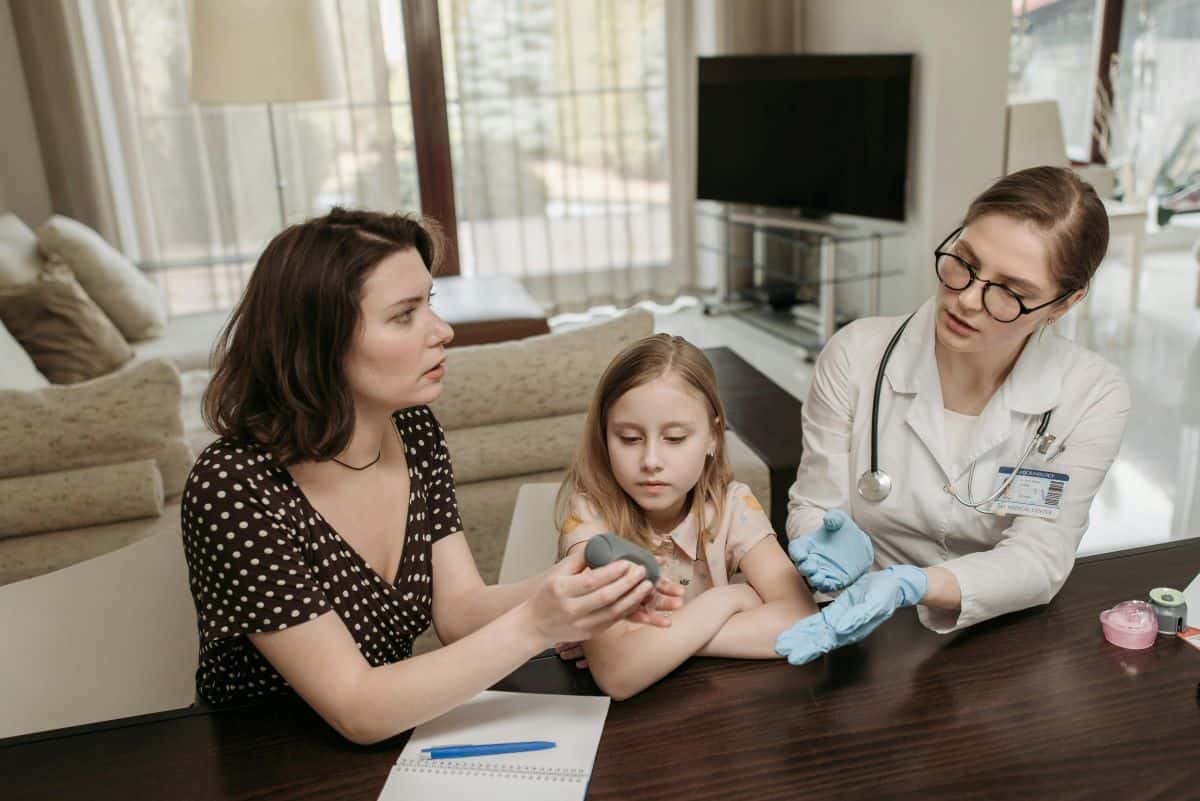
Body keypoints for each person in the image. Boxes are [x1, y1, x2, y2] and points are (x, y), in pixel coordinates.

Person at [181, 208, 683, 743]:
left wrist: (581, 587)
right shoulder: (232, 488)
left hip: (397, 743)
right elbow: (356, 707)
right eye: (404, 315)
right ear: (319, 341)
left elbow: (461, 612)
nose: (442, 332)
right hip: (269, 757)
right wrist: (536, 624)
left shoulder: (414, 430)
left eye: (431, 304)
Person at [776, 166, 1132, 665]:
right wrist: (826, 553)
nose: (966, 299)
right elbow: (816, 505)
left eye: (1011, 292)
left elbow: (1039, 558)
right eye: (964, 261)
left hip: (995, 639)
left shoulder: (1091, 394)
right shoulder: (856, 354)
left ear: (1063, 304)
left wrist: (912, 585)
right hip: (854, 626)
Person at [555, 334, 817, 699]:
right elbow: (618, 675)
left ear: (712, 435)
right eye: (629, 438)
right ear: (604, 436)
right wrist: (729, 600)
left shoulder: (734, 506)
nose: (650, 460)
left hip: (707, 710)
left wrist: (656, 645)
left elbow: (803, 621)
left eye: (675, 438)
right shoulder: (590, 516)